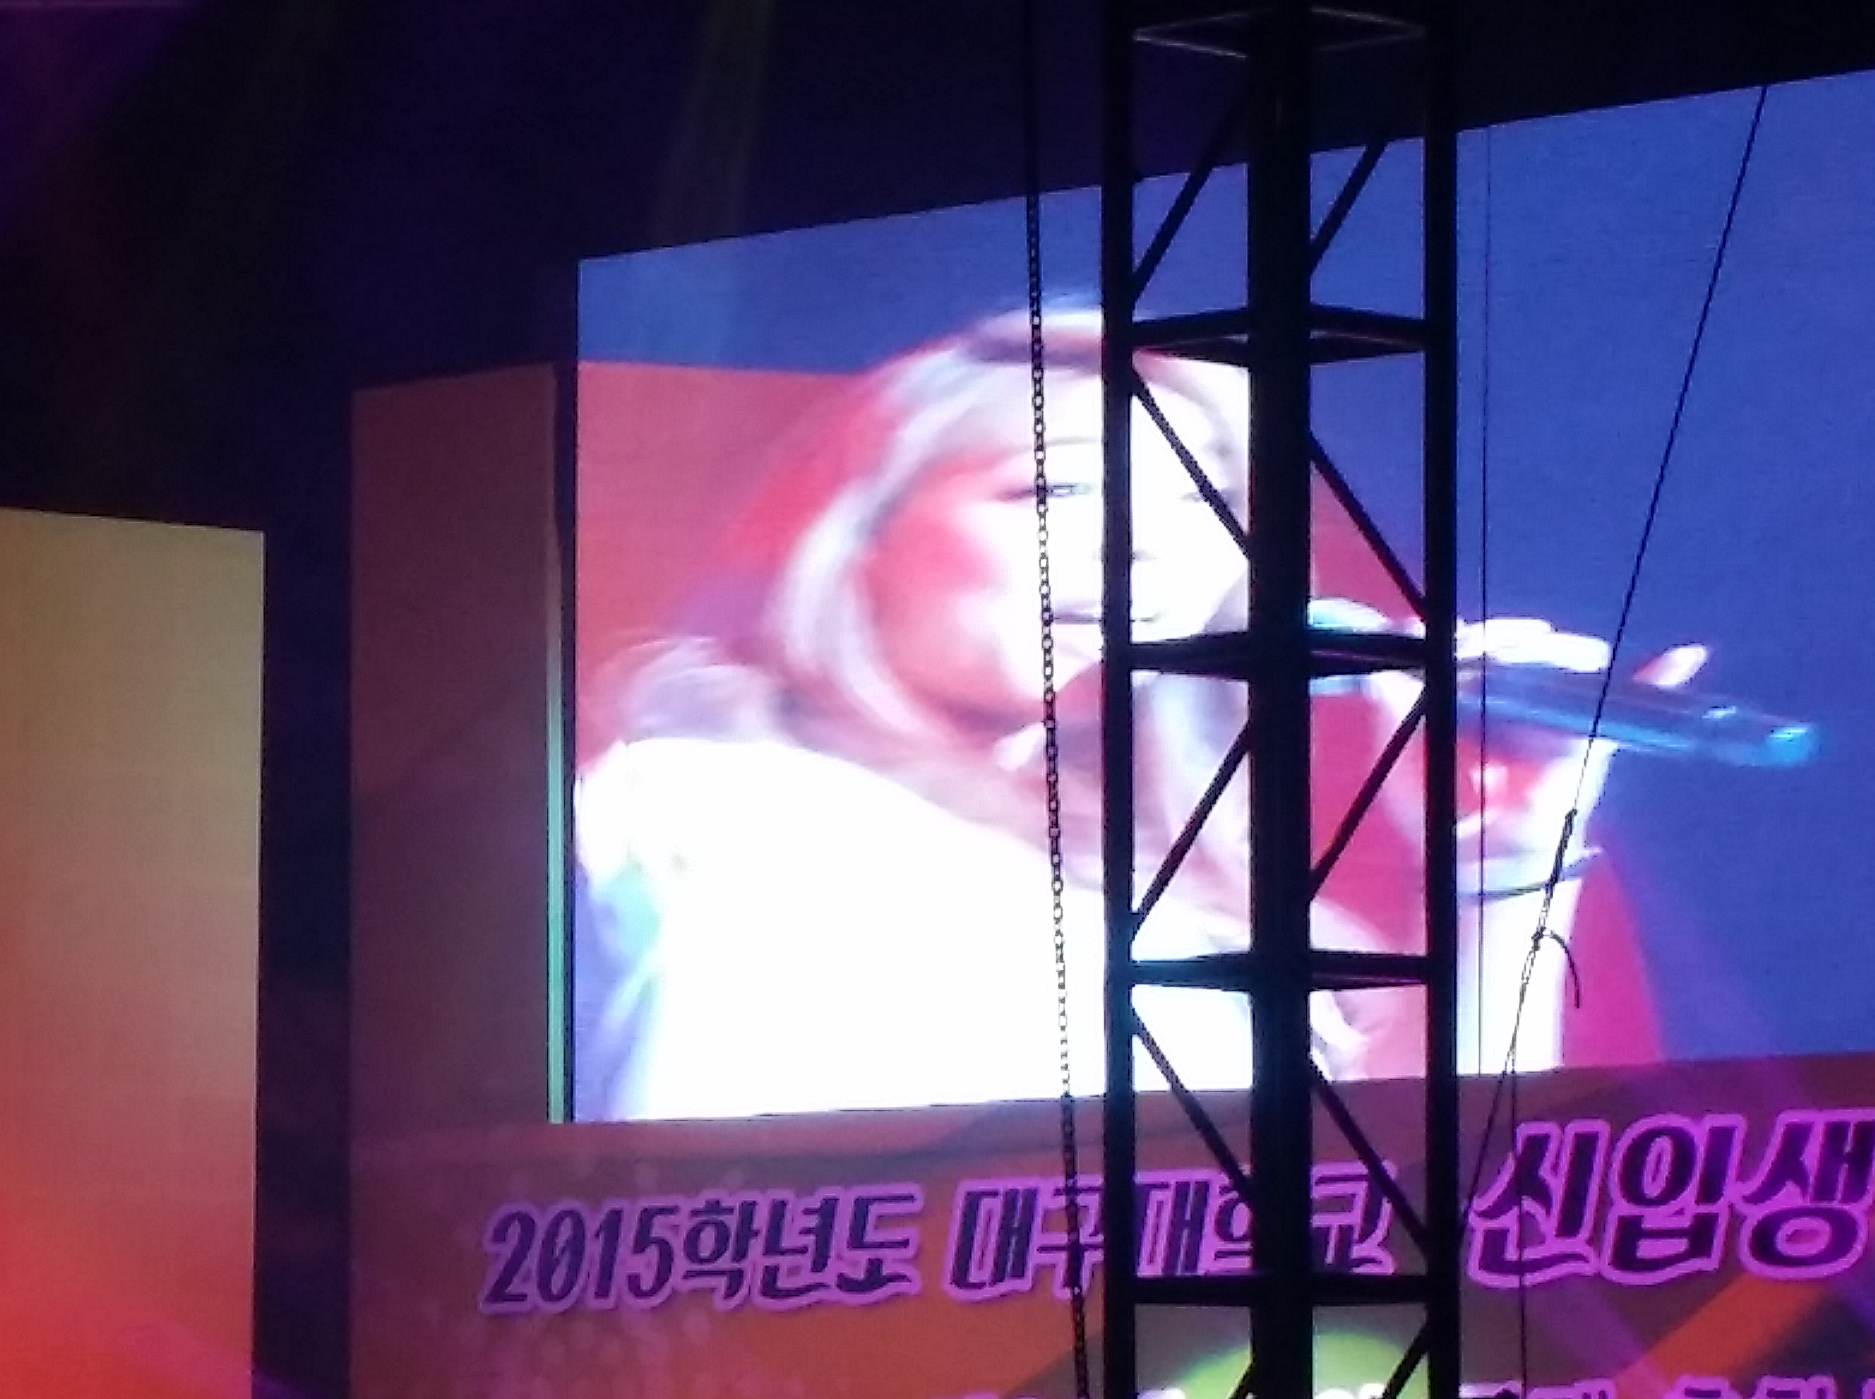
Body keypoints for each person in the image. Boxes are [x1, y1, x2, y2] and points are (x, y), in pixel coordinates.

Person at [571, 304, 1687, 1122]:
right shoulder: (700, 805)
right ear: (857, 534)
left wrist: (1501, 863)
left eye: (1199, 504)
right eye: (1055, 490)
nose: (1145, 547)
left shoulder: (1183, 903)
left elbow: (1424, 1196)